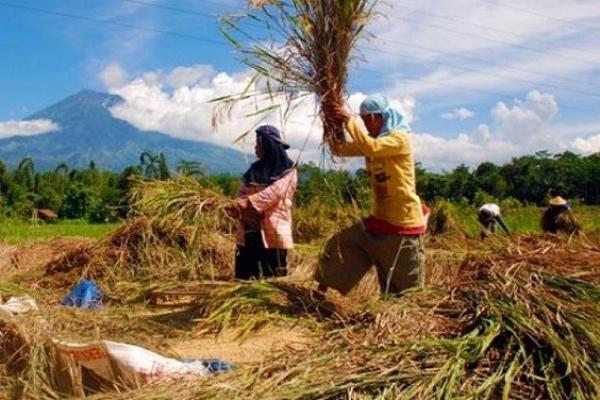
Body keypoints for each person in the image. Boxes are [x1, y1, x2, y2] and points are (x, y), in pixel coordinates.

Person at [315, 94, 427, 296]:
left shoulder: (399, 139)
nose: (366, 125)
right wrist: (333, 123)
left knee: (405, 293)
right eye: (363, 120)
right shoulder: (373, 140)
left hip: (404, 224)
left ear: (381, 117)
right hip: (381, 221)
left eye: (368, 119)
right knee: (342, 244)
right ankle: (318, 296)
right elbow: (338, 149)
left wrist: (349, 120)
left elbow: (371, 147)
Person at [230, 125, 297, 280]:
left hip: (273, 231)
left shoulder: (289, 171)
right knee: (244, 276)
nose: (255, 148)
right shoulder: (253, 171)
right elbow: (242, 192)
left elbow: (274, 193)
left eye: (257, 143)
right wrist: (235, 203)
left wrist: (247, 203)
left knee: (273, 277)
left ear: (267, 144)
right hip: (250, 230)